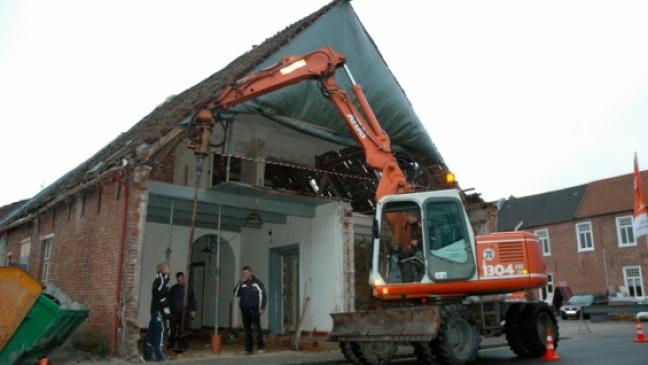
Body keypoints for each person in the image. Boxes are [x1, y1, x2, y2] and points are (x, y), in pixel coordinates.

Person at [233, 266, 267, 355]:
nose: (245, 274)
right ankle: (248, 349)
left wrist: (262, 307)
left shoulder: (257, 283)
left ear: (251, 273)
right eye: (244, 273)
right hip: (245, 310)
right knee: (247, 330)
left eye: (247, 273)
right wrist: (240, 282)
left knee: (257, 328)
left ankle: (261, 347)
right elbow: (236, 294)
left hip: (254, 309)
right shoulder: (242, 284)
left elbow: (263, 295)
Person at [143, 263, 171, 361]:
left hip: (154, 311)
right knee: (160, 332)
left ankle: (146, 355)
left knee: (151, 333)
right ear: (163, 270)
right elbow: (162, 298)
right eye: (168, 267)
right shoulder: (162, 279)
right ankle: (160, 357)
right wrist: (167, 313)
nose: (169, 269)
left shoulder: (157, 280)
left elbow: (158, 296)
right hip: (159, 311)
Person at [167, 272, 197, 352]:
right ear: (177, 280)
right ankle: (171, 345)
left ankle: (182, 346)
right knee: (172, 329)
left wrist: (193, 310)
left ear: (184, 278)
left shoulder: (189, 289)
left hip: (184, 313)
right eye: (178, 280)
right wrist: (170, 310)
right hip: (174, 312)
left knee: (183, 330)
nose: (180, 281)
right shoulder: (173, 289)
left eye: (181, 279)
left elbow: (192, 300)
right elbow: (169, 300)